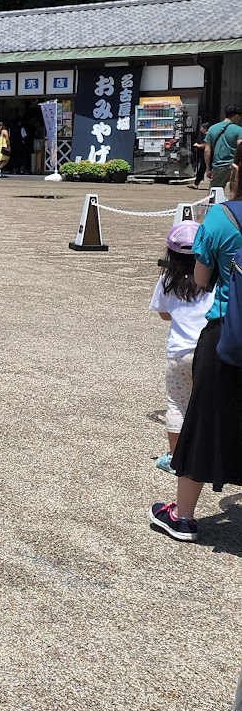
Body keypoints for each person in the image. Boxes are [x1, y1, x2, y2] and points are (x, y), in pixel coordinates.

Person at [151, 169, 242, 540]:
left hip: (228, 334)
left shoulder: (222, 216)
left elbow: (202, 281)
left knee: (203, 421)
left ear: (235, 169)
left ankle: (183, 516)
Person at [149, 221, 213, 476]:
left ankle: (176, 458)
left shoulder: (167, 279)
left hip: (179, 353)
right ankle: (209, 456)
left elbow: (164, 315)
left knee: (177, 405)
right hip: (208, 351)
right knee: (209, 404)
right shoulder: (213, 278)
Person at [203, 104, 242, 202]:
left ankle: (211, 213)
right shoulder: (239, 130)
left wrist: (208, 168)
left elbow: (207, 150)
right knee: (235, 194)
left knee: (213, 196)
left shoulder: (212, 129)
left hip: (218, 166)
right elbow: (240, 146)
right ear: (236, 115)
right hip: (234, 167)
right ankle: (234, 214)